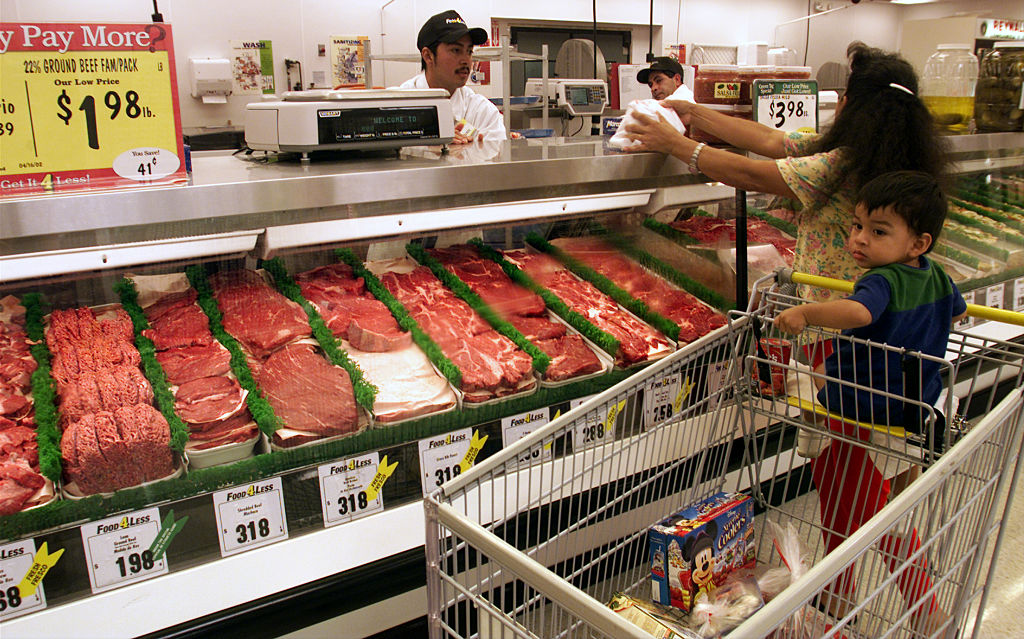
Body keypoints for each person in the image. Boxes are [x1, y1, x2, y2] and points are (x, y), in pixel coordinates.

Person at [773, 171, 966, 634]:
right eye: (857, 226)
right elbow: (957, 311)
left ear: (917, 242)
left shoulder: (882, 280)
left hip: (859, 414)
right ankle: (848, 595)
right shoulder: (936, 275)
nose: (859, 239)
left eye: (878, 232)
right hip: (910, 413)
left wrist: (805, 312)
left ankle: (896, 605)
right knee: (886, 507)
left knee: (856, 513)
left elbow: (859, 313)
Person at [622, 43, 949, 304]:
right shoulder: (887, 157)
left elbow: (751, 175)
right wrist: (693, 112)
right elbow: (770, 138)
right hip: (862, 310)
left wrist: (677, 145)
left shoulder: (843, 165)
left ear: (849, 105)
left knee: (838, 387)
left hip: (838, 322)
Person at [399, 9, 507, 144]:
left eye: (469, 51)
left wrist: (477, 150)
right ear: (428, 56)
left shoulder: (481, 111)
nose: (466, 60)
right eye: (456, 50)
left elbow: (498, 156)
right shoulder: (399, 105)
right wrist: (430, 146)